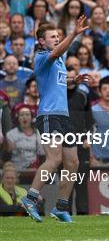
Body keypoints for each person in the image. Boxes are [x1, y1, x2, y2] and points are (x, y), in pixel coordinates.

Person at [21, 16, 88, 223]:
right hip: (49, 115)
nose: (57, 38)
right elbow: (58, 52)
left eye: (58, 35)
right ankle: (30, 198)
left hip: (63, 116)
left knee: (73, 162)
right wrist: (74, 33)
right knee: (54, 159)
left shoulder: (57, 60)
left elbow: (56, 77)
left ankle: (61, 206)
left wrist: (72, 79)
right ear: (42, 41)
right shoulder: (42, 56)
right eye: (53, 36)